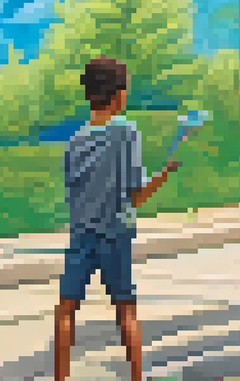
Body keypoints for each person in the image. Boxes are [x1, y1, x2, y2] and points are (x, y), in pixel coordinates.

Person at [54, 57, 182, 381]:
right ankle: (136, 376)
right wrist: (165, 173)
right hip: (115, 233)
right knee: (126, 308)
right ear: (118, 95)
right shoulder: (126, 132)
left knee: (66, 309)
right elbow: (135, 195)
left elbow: (73, 193)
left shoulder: (75, 141)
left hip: (81, 233)